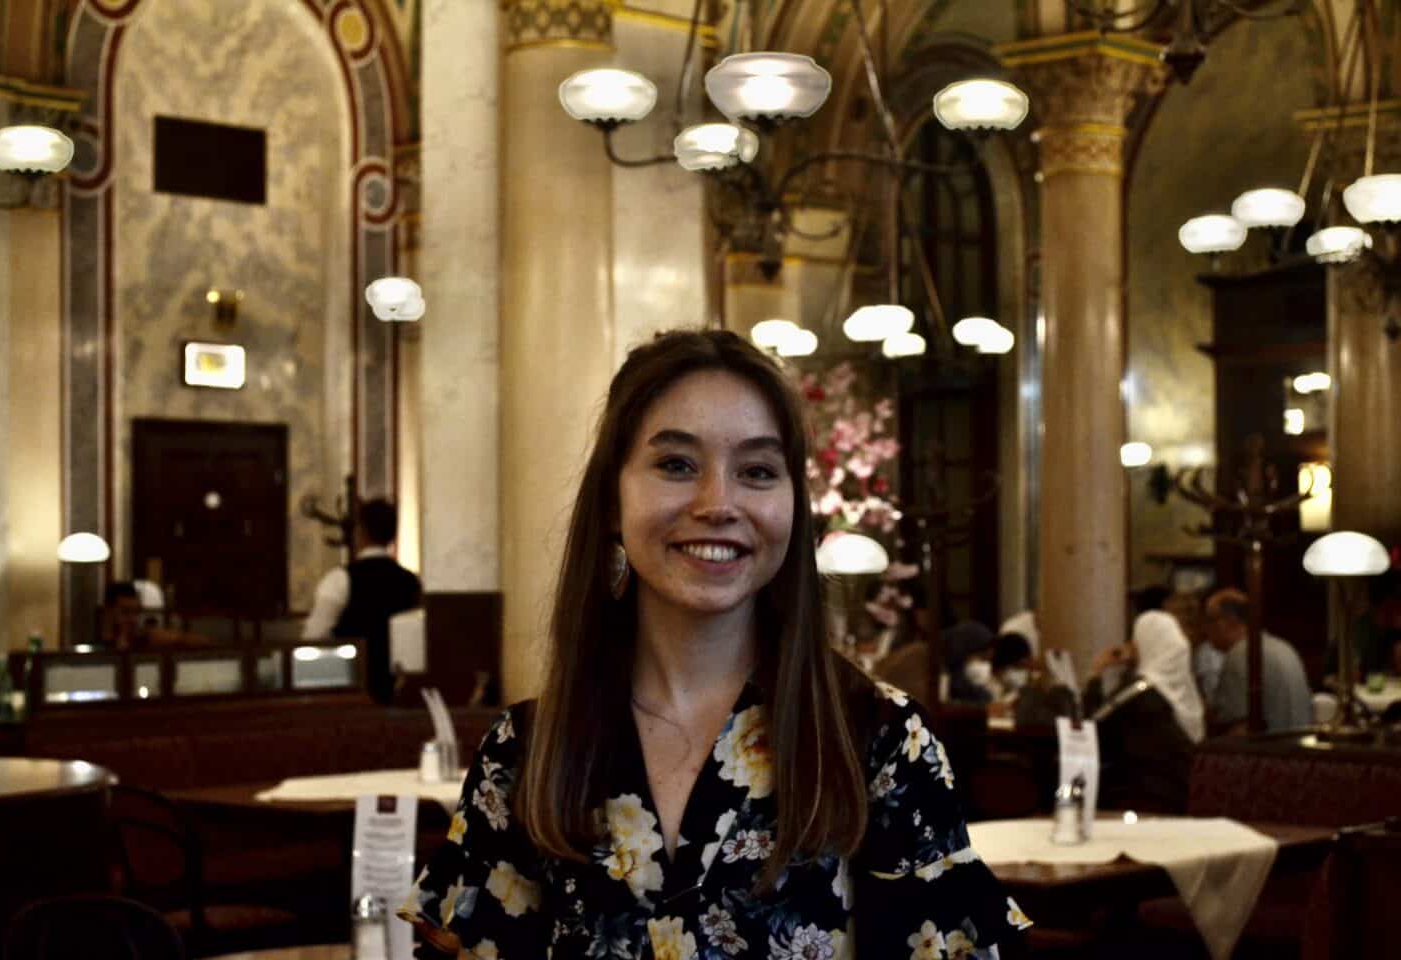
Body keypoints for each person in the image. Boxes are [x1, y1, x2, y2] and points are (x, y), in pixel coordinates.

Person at [401, 330, 1029, 958]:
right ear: (613, 500)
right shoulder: (526, 753)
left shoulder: (878, 738)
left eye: (757, 471)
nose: (718, 503)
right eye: (676, 465)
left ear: (792, 507)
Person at [302, 498, 421, 703]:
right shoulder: (412, 582)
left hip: (351, 691)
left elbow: (314, 637)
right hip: (399, 691)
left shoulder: (340, 579)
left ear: (361, 532)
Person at [1081, 611, 1201, 812]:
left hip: (1138, 793)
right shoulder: (1184, 693)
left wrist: (1096, 673)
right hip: (1181, 792)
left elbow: (1092, 726)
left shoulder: (1139, 691)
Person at [1204, 588, 1312, 734]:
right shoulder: (1282, 646)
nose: (1204, 629)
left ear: (1227, 622)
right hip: (1297, 749)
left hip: (1272, 752)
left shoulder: (1241, 654)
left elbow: (1239, 729)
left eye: (1208, 620)